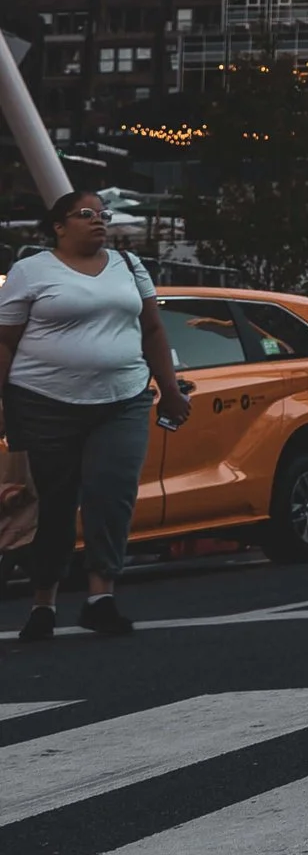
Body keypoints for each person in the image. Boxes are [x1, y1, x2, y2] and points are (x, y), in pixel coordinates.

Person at [0, 187, 191, 639]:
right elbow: (5, 341)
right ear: (59, 226)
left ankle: (100, 596)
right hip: (46, 403)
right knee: (56, 502)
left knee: (112, 494)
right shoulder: (31, 272)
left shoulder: (130, 266)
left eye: (102, 213)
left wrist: (169, 389)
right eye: (85, 214)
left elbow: (152, 329)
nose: (98, 220)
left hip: (122, 399)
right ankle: (43, 602)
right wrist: (6, 406)